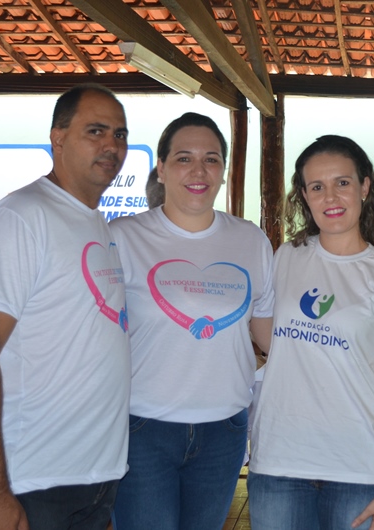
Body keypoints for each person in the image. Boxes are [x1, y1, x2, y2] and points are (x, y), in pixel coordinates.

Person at [0, 84, 131, 530]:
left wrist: (101, 482)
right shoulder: (21, 217)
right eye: (96, 131)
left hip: (96, 476)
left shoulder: (97, 224)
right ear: (58, 137)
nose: (111, 146)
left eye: (120, 134)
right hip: (36, 480)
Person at [247, 135, 374, 530]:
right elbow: (272, 340)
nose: (331, 197)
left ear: (364, 187)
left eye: (342, 182)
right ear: (304, 197)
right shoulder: (288, 256)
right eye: (317, 187)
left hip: (359, 469)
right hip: (279, 462)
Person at [109, 112, 274, 530]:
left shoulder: (250, 240)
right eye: (184, 158)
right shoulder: (122, 237)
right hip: (142, 427)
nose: (199, 170)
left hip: (226, 428)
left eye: (212, 159)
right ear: (161, 169)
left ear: (223, 170)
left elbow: (270, 335)